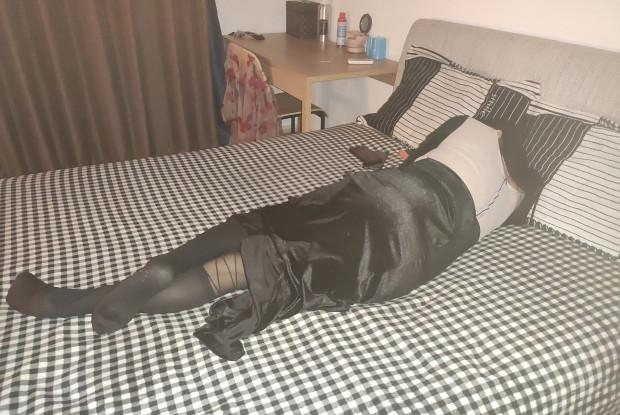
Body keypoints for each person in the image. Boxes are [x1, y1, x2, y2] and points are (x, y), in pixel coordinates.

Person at [6, 117, 524, 360]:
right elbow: (472, 231)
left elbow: (412, 158)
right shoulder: (518, 176)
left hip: (376, 190)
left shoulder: (463, 122)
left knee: (274, 222)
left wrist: (399, 168)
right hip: (401, 236)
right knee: (284, 264)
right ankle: (70, 302)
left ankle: (156, 267)